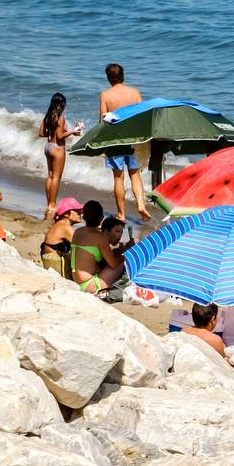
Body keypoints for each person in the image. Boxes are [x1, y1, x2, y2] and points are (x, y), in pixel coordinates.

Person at [97, 63, 148, 222]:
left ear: (108, 78)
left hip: (115, 139)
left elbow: (103, 120)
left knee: (118, 178)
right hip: (133, 139)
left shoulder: (106, 95)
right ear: (123, 76)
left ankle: (122, 214)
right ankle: (141, 205)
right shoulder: (135, 93)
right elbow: (142, 116)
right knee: (135, 174)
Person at [39, 92, 84, 219]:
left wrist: (68, 131)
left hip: (48, 147)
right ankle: (52, 205)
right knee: (57, 178)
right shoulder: (60, 118)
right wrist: (73, 131)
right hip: (57, 148)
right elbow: (60, 137)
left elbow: (41, 133)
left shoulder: (47, 116)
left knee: (50, 175)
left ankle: (49, 203)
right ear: (62, 105)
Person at [69, 199, 126, 294]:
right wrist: (125, 252)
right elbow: (113, 264)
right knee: (124, 260)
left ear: (84, 217)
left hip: (77, 281)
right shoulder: (100, 237)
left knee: (116, 256)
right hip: (91, 285)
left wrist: (118, 252)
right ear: (101, 218)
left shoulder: (78, 231)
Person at [39, 198, 82, 278]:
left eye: (80, 210)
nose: (80, 213)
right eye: (76, 211)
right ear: (66, 214)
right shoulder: (65, 227)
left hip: (50, 263)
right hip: (55, 267)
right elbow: (84, 246)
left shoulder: (60, 224)